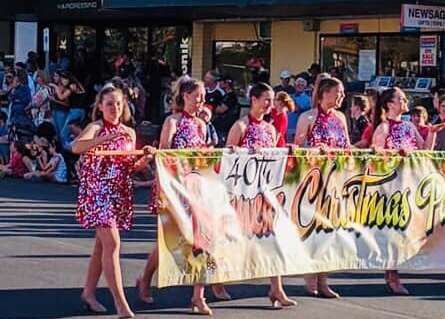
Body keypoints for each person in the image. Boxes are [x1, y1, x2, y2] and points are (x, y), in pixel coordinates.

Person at [138, 77, 226, 314]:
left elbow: (205, 153)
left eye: (203, 98)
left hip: (197, 188)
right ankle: (145, 278)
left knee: (203, 238)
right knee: (168, 240)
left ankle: (198, 295)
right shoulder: (173, 121)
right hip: (175, 188)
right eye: (197, 97)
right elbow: (163, 155)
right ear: (185, 96)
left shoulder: (201, 124)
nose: (201, 102)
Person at [73, 85, 154, 319]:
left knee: (102, 246)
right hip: (98, 192)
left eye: (118, 104)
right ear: (100, 106)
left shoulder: (128, 132)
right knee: (113, 245)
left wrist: (145, 157)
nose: (115, 108)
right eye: (109, 103)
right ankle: (121, 304)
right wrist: (104, 138)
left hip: (118, 192)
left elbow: (129, 167)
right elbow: (76, 147)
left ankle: (88, 293)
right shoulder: (96, 127)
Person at [226, 83, 297, 308]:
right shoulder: (241, 125)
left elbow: (276, 157)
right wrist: (242, 154)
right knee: (232, 241)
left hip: (266, 193)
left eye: (271, 100)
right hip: (242, 195)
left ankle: (276, 288)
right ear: (254, 99)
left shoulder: (270, 128)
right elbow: (227, 158)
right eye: (266, 100)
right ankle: (216, 283)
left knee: (273, 238)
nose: (269, 104)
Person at [370, 87, 431, 295]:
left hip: (409, 184)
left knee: (402, 231)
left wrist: (432, 133)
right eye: (401, 99)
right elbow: (376, 161)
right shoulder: (383, 128)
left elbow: (424, 150)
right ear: (390, 104)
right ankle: (393, 275)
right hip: (390, 188)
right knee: (394, 232)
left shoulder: (408, 126)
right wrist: (394, 154)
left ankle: (391, 272)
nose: (406, 101)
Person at [294, 77, 349, 298]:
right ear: (324, 93)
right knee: (312, 231)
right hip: (312, 182)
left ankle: (324, 278)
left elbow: (346, 146)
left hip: (335, 180)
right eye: (338, 93)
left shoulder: (341, 118)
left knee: (329, 232)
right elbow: (297, 149)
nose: (341, 97)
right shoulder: (308, 117)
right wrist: (316, 150)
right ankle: (309, 276)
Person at [213, 76, 240, 145]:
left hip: (225, 127)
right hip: (220, 125)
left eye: (221, 81)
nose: (219, 83)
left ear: (227, 83)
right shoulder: (225, 95)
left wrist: (215, 108)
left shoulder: (231, 97)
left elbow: (220, 110)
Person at [288, 76, 311, 142]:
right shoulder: (290, 96)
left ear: (305, 87)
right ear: (294, 85)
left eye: (302, 85)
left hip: (300, 130)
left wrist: (289, 100)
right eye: (298, 84)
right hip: (288, 128)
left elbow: (296, 109)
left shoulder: (307, 99)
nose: (300, 86)